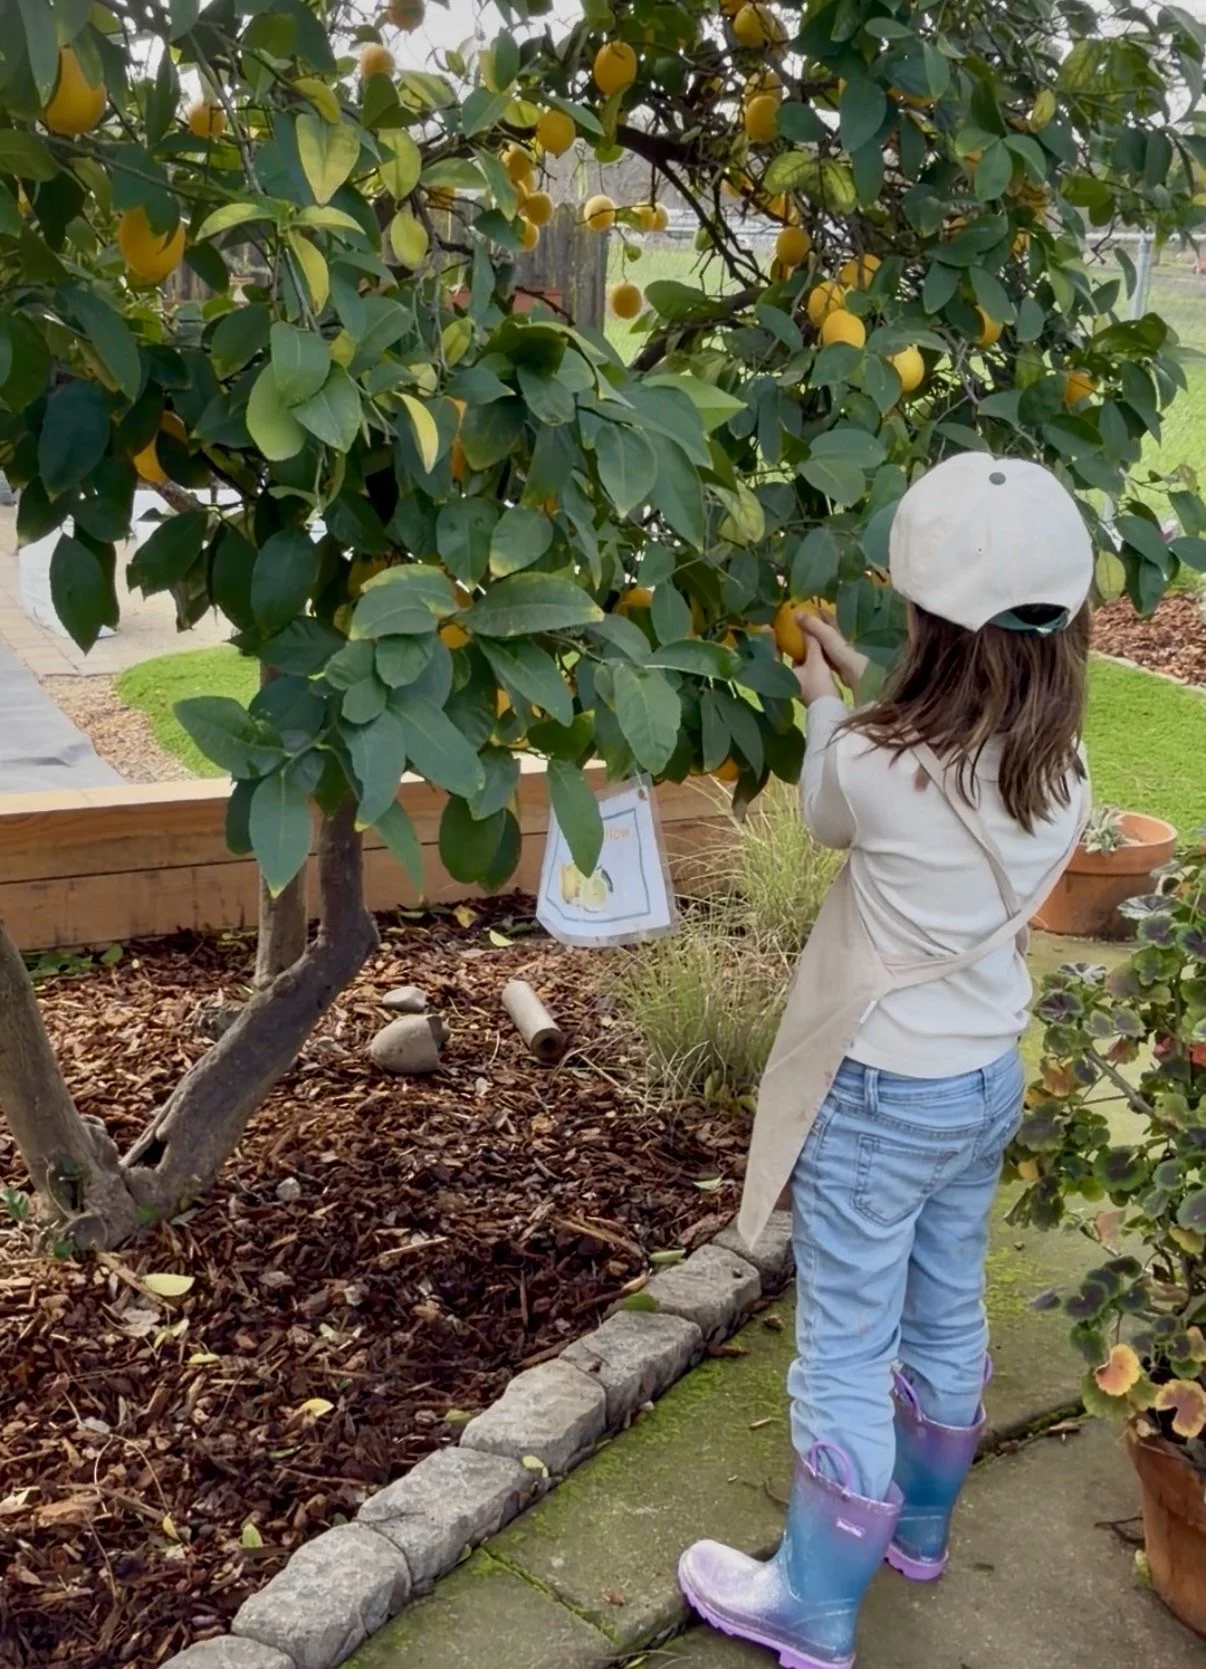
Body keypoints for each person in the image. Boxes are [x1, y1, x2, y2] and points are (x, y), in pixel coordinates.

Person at [678, 452, 1094, 1669]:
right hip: (982, 1084)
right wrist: (864, 689)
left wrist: (821, 691)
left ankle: (811, 1601)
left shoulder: (870, 761)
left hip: (880, 1092)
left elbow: (829, 806)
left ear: (924, 620)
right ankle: (917, 1526)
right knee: (947, 1301)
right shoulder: (1063, 769)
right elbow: (946, 751)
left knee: (849, 1339)